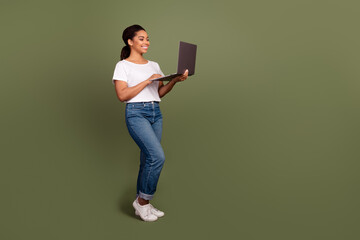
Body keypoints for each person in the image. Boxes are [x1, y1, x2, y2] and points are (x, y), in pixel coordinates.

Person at [112, 24, 188, 222]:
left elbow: (159, 93)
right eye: (141, 38)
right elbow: (122, 95)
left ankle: (143, 202)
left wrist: (174, 81)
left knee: (147, 159)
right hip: (136, 113)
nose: (146, 42)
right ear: (130, 42)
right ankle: (142, 202)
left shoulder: (153, 64)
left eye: (147, 38)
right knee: (157, 156)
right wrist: (147, 81)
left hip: (156, 112)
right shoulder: (123, 66)